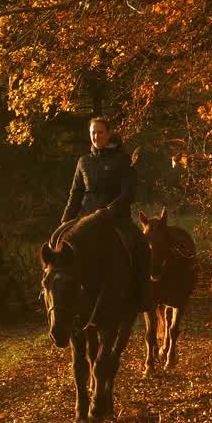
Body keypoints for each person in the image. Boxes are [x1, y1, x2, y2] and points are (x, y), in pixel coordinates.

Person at [60, 117, 151, 311]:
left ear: (108, 134)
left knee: (142, 246)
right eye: (93, 132)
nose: (96, 136)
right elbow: (75, 194)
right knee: (58, 249)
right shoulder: (83, 161)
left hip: (117, 220)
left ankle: (142, 298)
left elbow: (127, 194)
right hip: (85, 220)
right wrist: (65, 221)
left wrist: (108, 211)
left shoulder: (123, 160)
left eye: (100, 132)